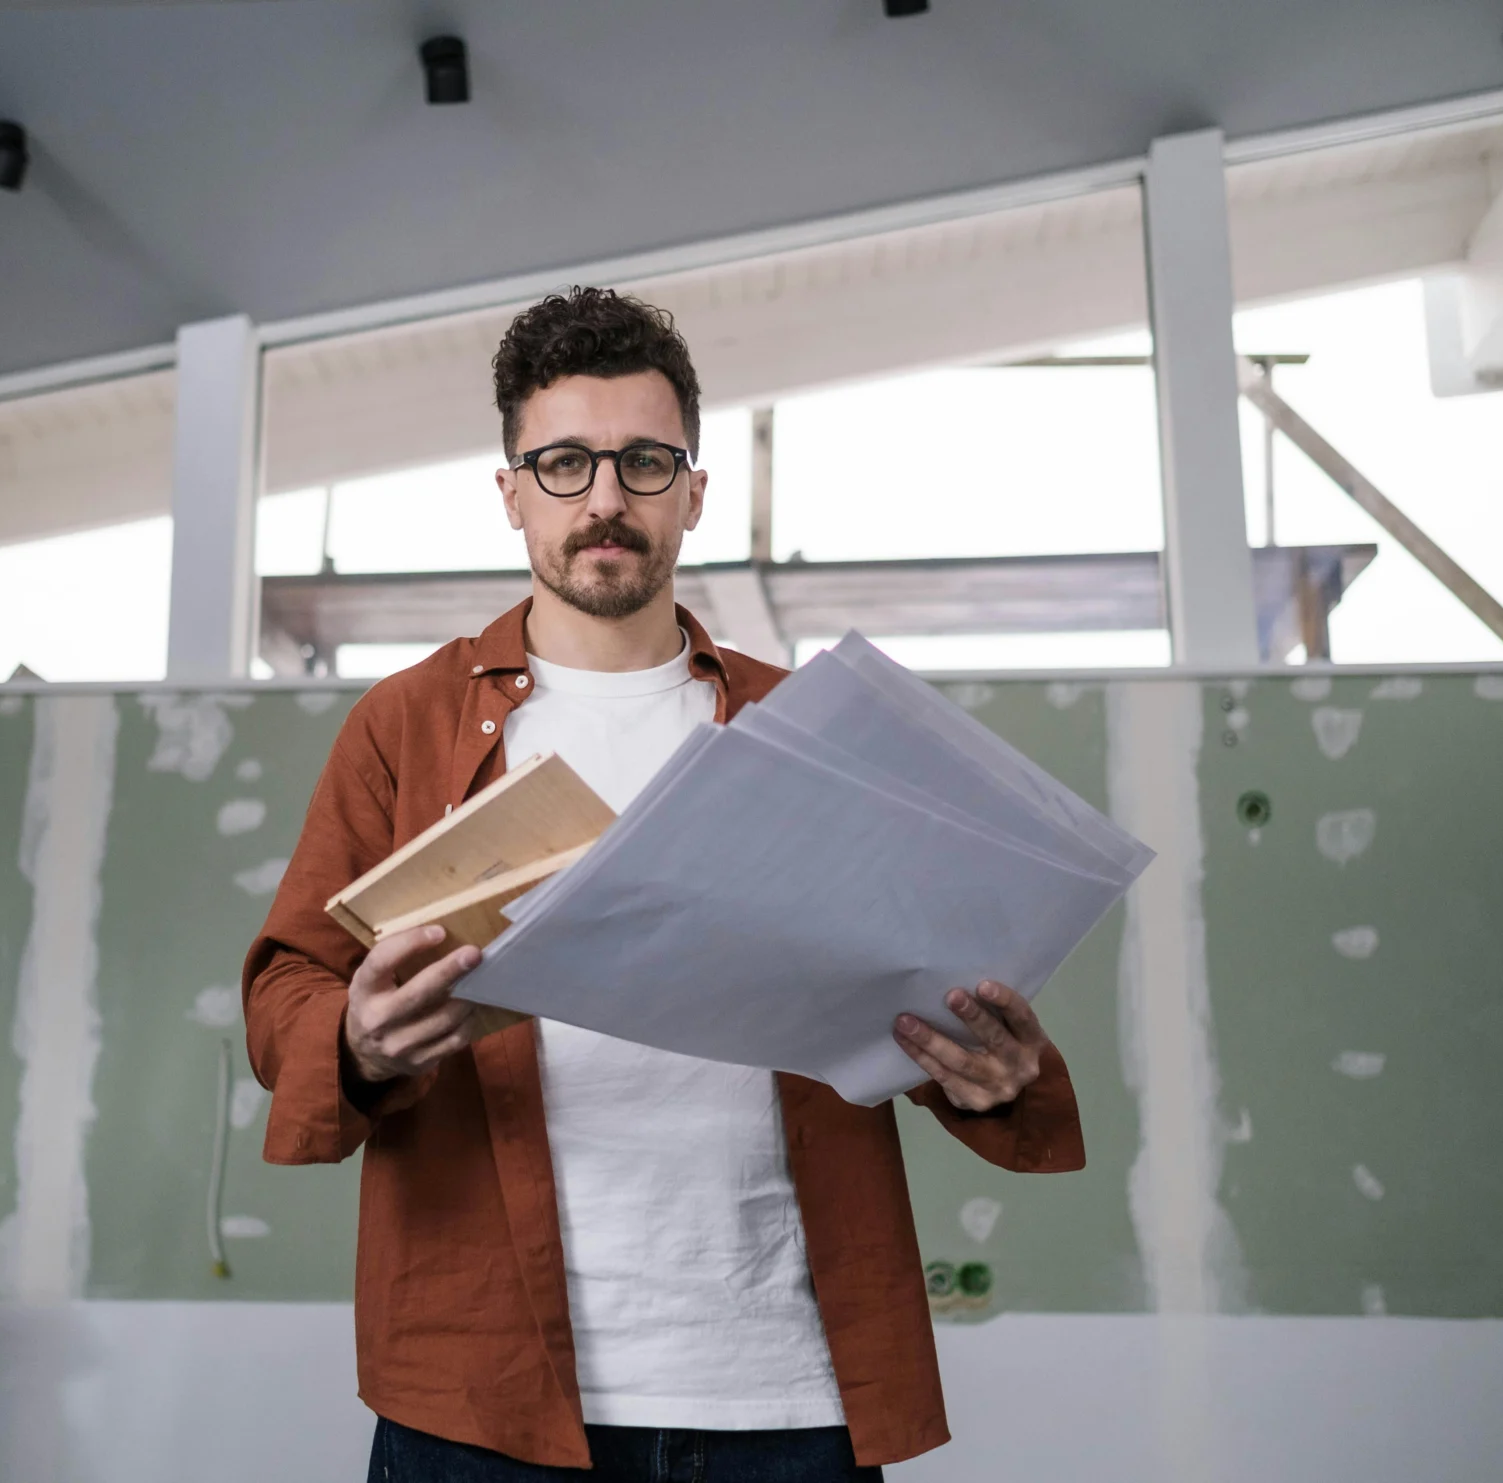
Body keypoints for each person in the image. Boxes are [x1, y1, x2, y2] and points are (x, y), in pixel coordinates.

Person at [242, 287, 1084, 1483]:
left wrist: (994, 1079)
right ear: (511, 492)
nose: (604, 499)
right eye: (565, 462)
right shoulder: (406, 724)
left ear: (692, 489)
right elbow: (288, 987)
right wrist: (361, 1040)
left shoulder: (807, 723)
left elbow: (911, 974)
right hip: (485, 1398)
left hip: (788, 1393)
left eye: (643, 462)